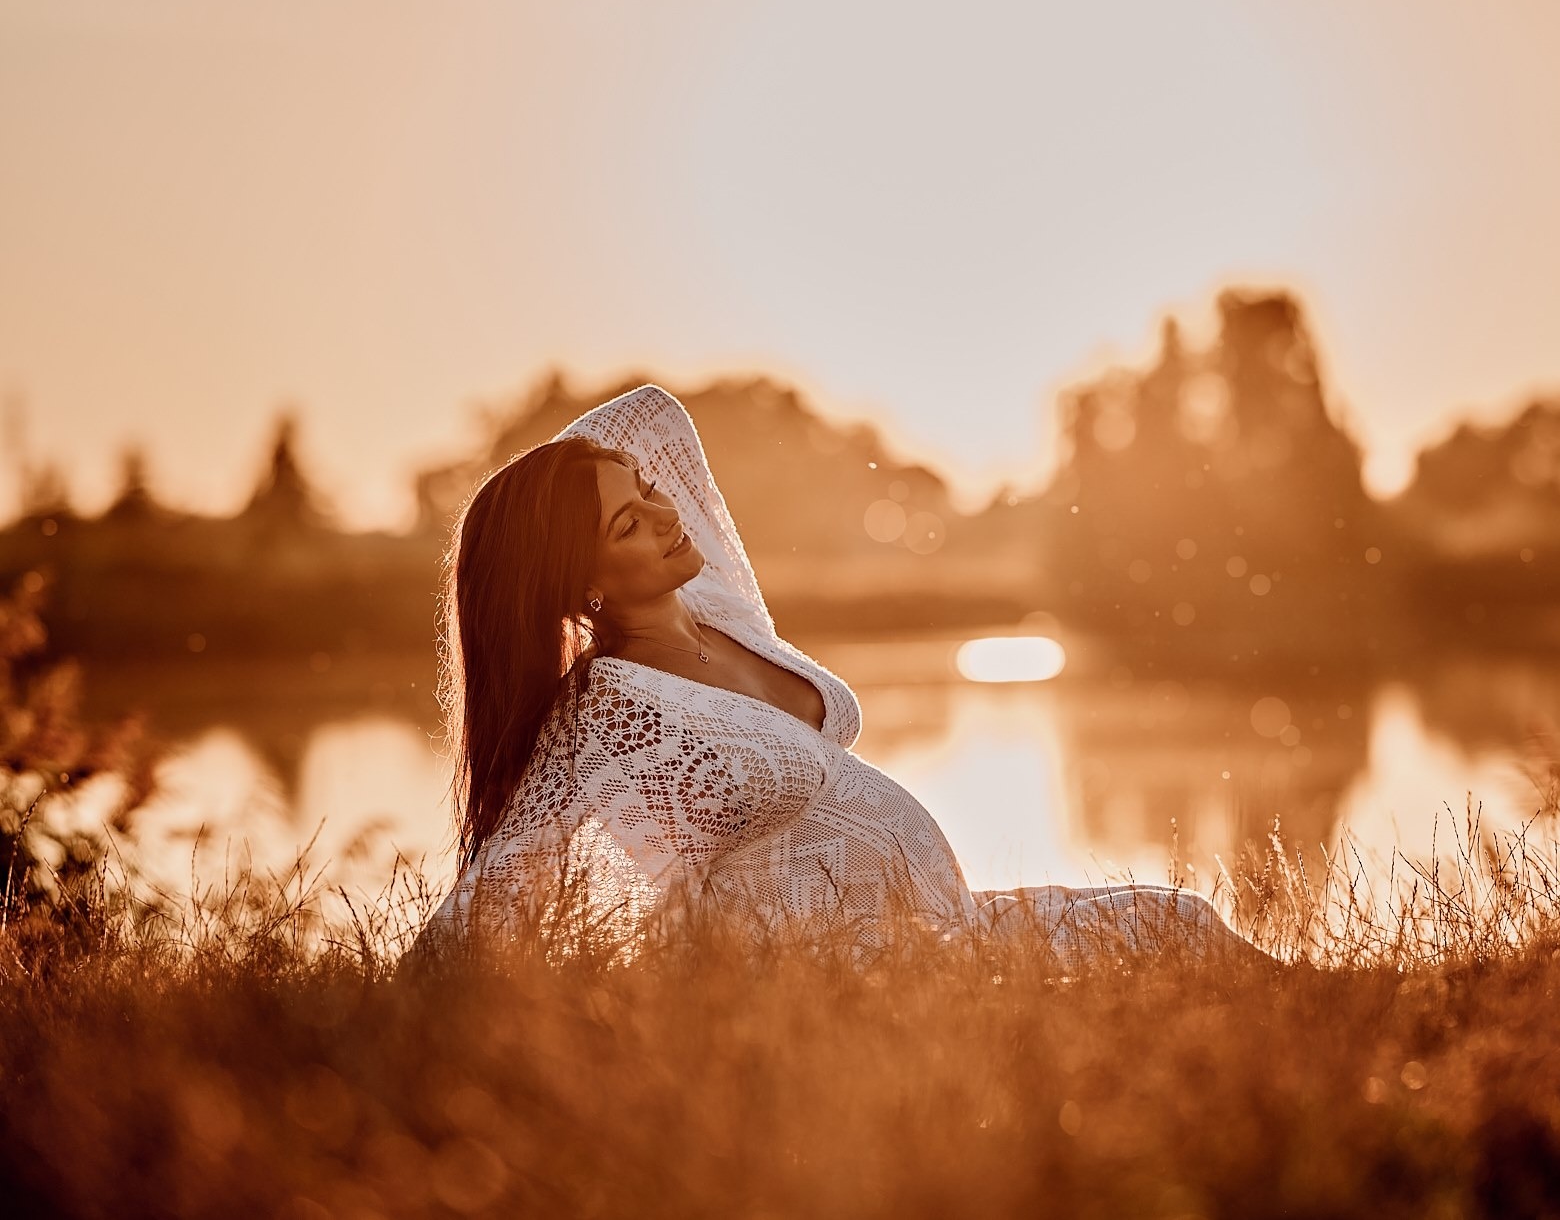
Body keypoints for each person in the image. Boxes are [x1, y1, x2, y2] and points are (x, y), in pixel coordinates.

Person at [414, 384, 1267, 968]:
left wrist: (557, 491)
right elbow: (496, 892)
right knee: (1173, 940)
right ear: (583, 583)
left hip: (944, 927)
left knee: (1175, 916)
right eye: (630, 522)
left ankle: (1356, 998)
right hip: (851, 970)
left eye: (647, 486)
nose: (669, 513)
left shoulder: (720, 614)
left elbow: (650, 416)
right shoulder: (608, 716)